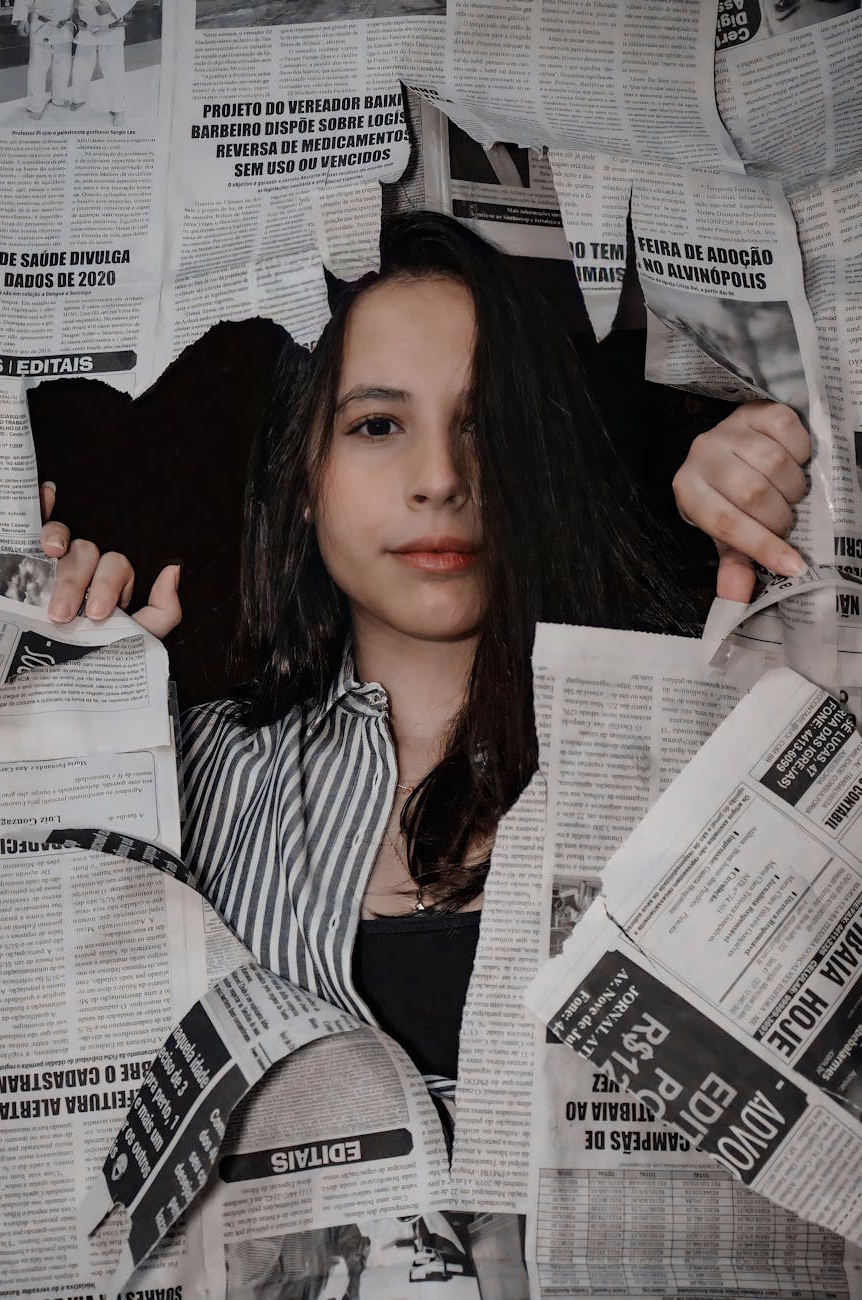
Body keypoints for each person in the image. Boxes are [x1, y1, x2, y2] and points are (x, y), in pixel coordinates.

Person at [39, 211, 811, 1097]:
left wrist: (792, 485)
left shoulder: (687, 724)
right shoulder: (193, 769)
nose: (440, 477)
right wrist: (52, 708)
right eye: (376, 425)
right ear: (300, 479)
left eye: (483, 423)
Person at [71, 0, 137, 126]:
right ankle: (78, 97)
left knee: (113, 68)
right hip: (86, 24)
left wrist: (112, 5)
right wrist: (74, 11)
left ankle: (117, 108)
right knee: (81, 64)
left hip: (110, 23)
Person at [11, 0, 74, 120]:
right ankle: (35, 105)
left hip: (65, 25)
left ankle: (58, 98)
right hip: (42, 24)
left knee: (63, 65)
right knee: (38, 67)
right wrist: (22, 19)